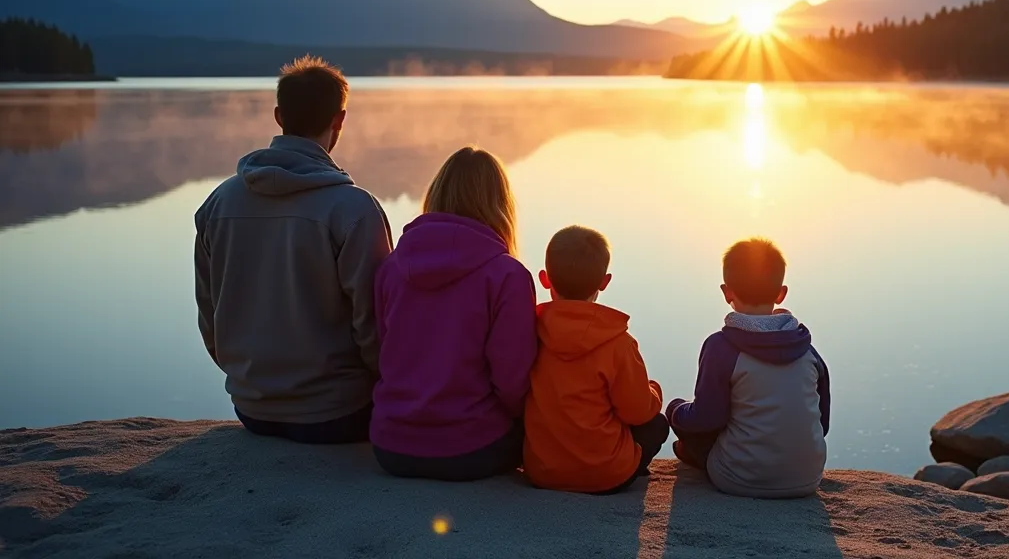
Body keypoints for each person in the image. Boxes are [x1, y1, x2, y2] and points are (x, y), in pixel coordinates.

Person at [194, 56, 393, 444]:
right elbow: (373, 323)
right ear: (339, 120)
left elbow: (209, 312)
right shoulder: (353, 209)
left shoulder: (218, 203)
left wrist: (249, 378)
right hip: (339, 413)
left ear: (279, 116)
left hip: (252, 409)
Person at [370, 147, 537, 481]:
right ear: (500, 204)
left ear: (437, 194)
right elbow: (512, 382)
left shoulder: (391, 267)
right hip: (473, 448)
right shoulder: (507, 275)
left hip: (391, 447)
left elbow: (383, 351)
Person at [665, 238, 830, 498]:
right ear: (781, 294)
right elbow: (823, 422)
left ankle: (693, 454)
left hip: (739, 479)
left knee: (679, 410)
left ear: (726, 292)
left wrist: (674, 411)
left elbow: (708, 417)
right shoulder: (807, 351)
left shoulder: (721, 346)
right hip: (807, 479)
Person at [523, 226, 669, 494]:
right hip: (607, 477)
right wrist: (654, 391)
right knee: (657, 424)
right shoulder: (618, 344)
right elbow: (637, 412)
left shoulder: (528, 333)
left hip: (541, 471)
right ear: (604, 281)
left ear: (544, 279)